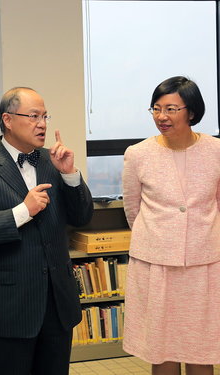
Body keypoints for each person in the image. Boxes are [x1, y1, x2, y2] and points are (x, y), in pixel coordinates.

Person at [0, 87, 94, 375]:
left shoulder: (53, 161)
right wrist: (22, 212)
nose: (42, 123)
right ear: (7, 119)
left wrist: (69, 174)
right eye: (33, 116)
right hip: (12, 308)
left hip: (57, 305)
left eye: (45, 116)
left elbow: (82, 217)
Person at [122, 76, 220, 375]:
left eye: (171, 109)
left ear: (191, 112)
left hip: (204, 263)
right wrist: (163, 236)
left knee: (201, 346)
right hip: (156, 263)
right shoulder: (137, 154)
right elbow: (132, 209)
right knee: (160, 345)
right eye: (156, 108)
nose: (161, 117)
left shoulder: (216, 151)